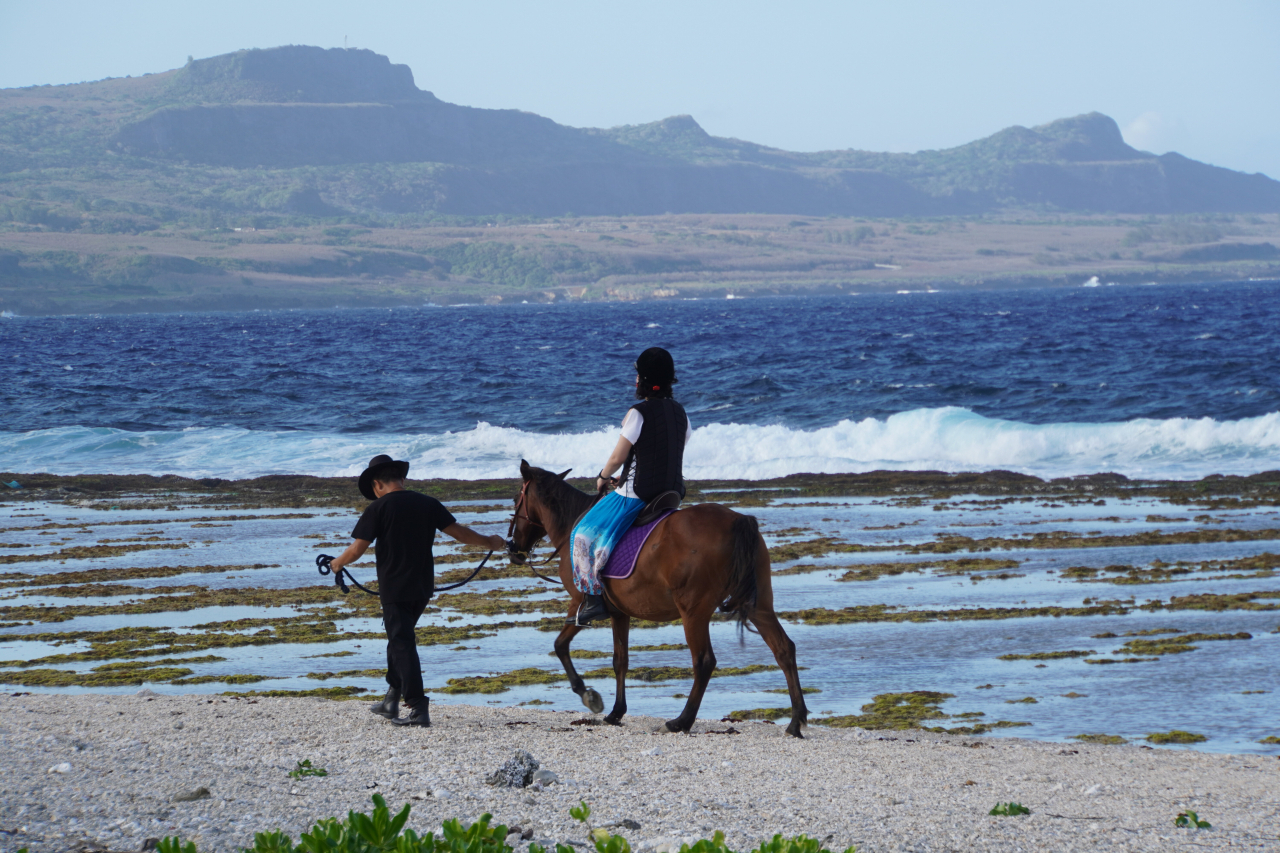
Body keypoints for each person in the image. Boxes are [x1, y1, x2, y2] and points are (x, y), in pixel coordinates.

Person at [327, 454, 506, 727]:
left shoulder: (378, 508)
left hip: (395, 586)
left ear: (377, 484)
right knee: (399, 639)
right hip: (423, 586)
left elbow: (357, 550)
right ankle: (391, 699)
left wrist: (336, 564)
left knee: (402, 643)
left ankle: (418, 707)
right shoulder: (428, 503)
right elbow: (459, 533)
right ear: (402, 478)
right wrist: (489, 542)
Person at [571, 347, 692, 625]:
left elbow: (618, 456)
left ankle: (592, 600)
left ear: (643, 380)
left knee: (581, 536)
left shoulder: (637, 413)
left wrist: (603, 477)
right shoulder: (681, 413)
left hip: (636, 494)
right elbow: (665, 450)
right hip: (671, 494)